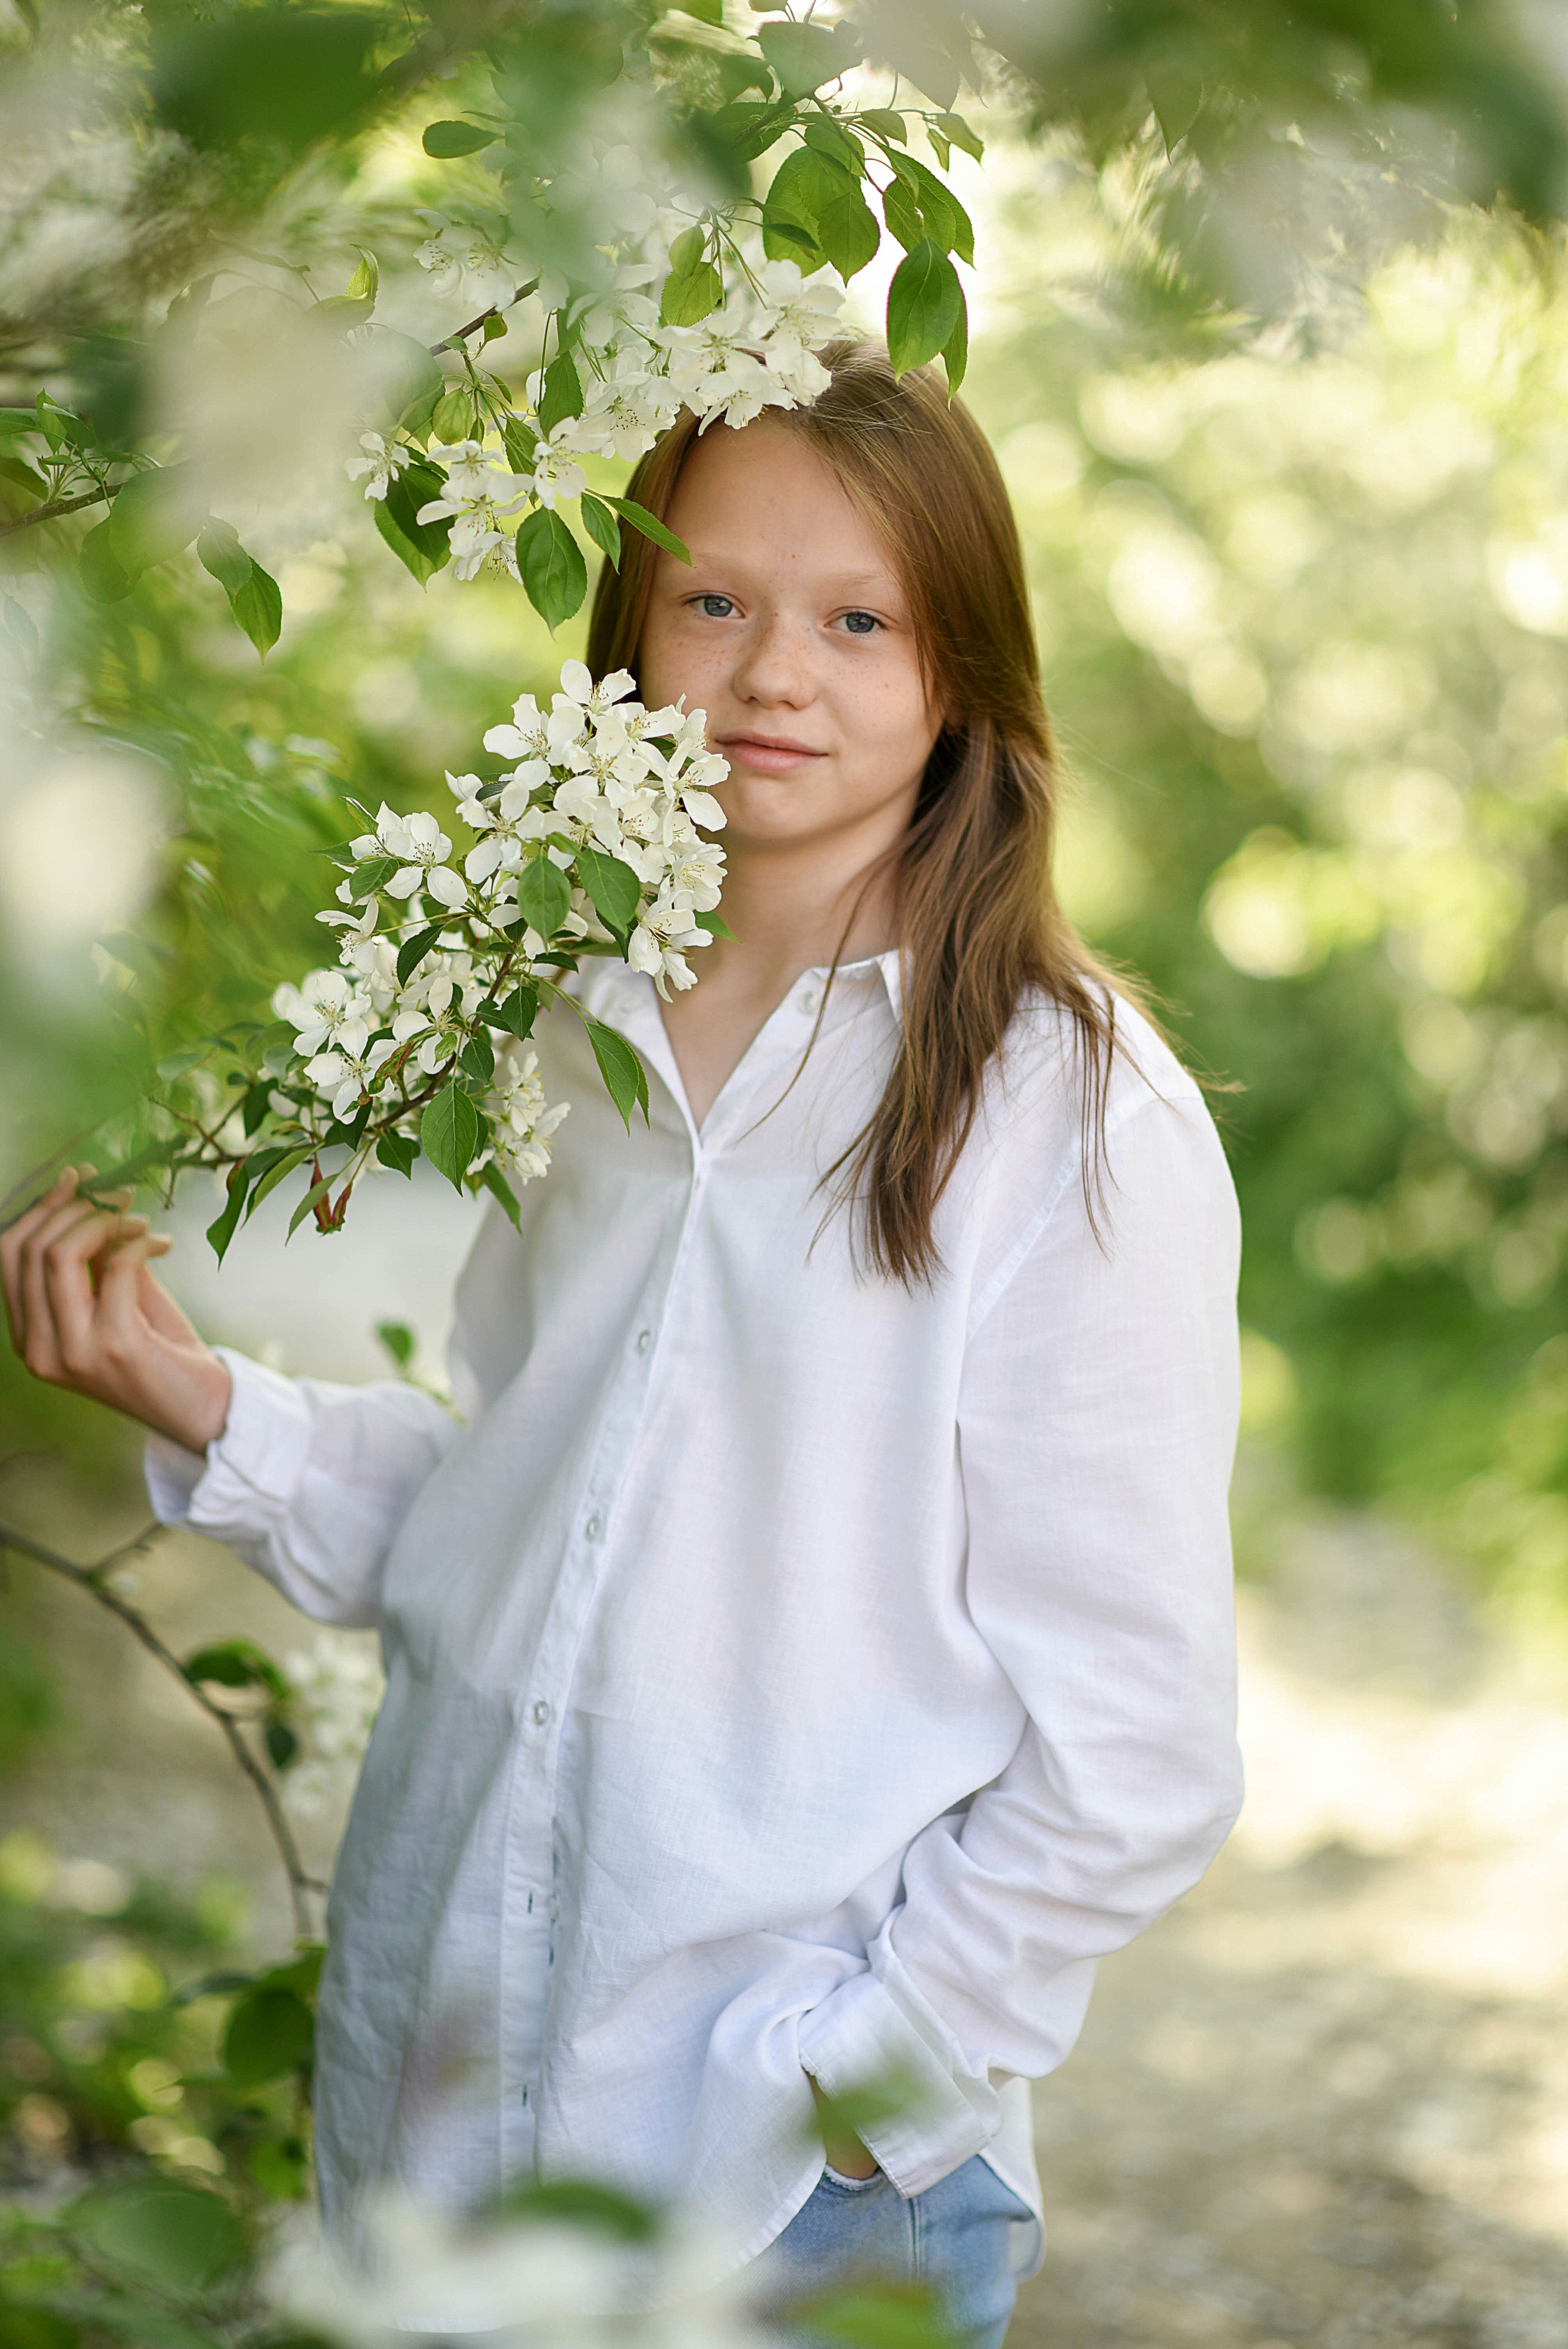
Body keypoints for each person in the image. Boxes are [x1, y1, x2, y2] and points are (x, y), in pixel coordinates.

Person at [2, 339, 1244, 2348]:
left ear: (966, 677)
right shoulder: (568, 1019)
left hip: (786, 2200)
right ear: (629, 631)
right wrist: (200, 1400)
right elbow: (529, 1512)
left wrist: (857, 2095)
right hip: (443, 2112)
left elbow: (1142, 1745)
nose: (776, 675)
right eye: (716, 602)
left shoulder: (1070, 1114)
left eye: (863, 620)